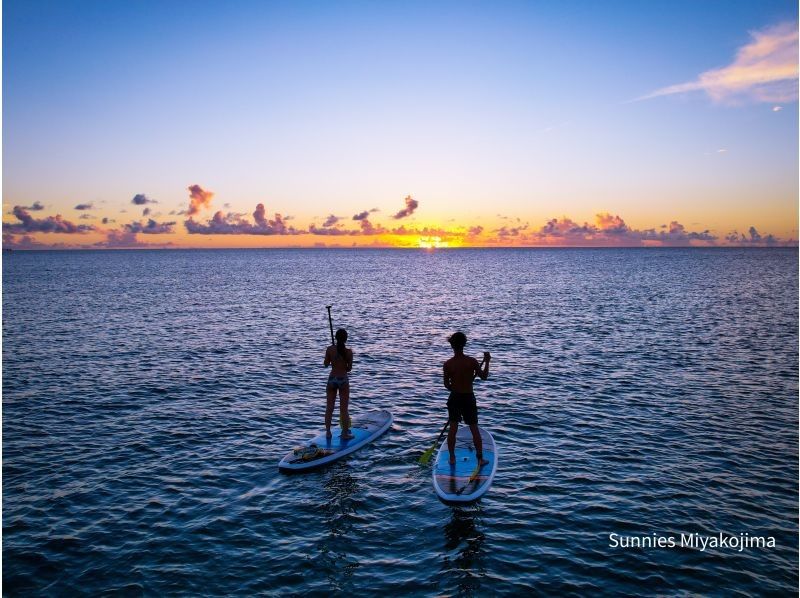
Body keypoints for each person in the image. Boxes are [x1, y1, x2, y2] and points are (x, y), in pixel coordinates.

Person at [443, 332, 490, 466]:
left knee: (453, 428)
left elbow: (446, 385)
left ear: (452, 345)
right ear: (464, 344)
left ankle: (452, 458)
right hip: (468, 398)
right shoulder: (472, 361)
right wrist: (487, 362)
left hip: (455, 398)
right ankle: (480, 459)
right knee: (474, 428)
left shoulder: (448, 364)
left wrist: (455, 387)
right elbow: (484, 376)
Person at [324, 328, 354, 440]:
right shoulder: (349, 352)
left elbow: (326, 364)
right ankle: (345, 434)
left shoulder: (330, 349)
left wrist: (333, 359)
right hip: (343, 380)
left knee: (329, 408)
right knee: (344, 409)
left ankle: (328, 432)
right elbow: (349, 369)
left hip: (332, 379)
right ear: (345, 339)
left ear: (335, 338)